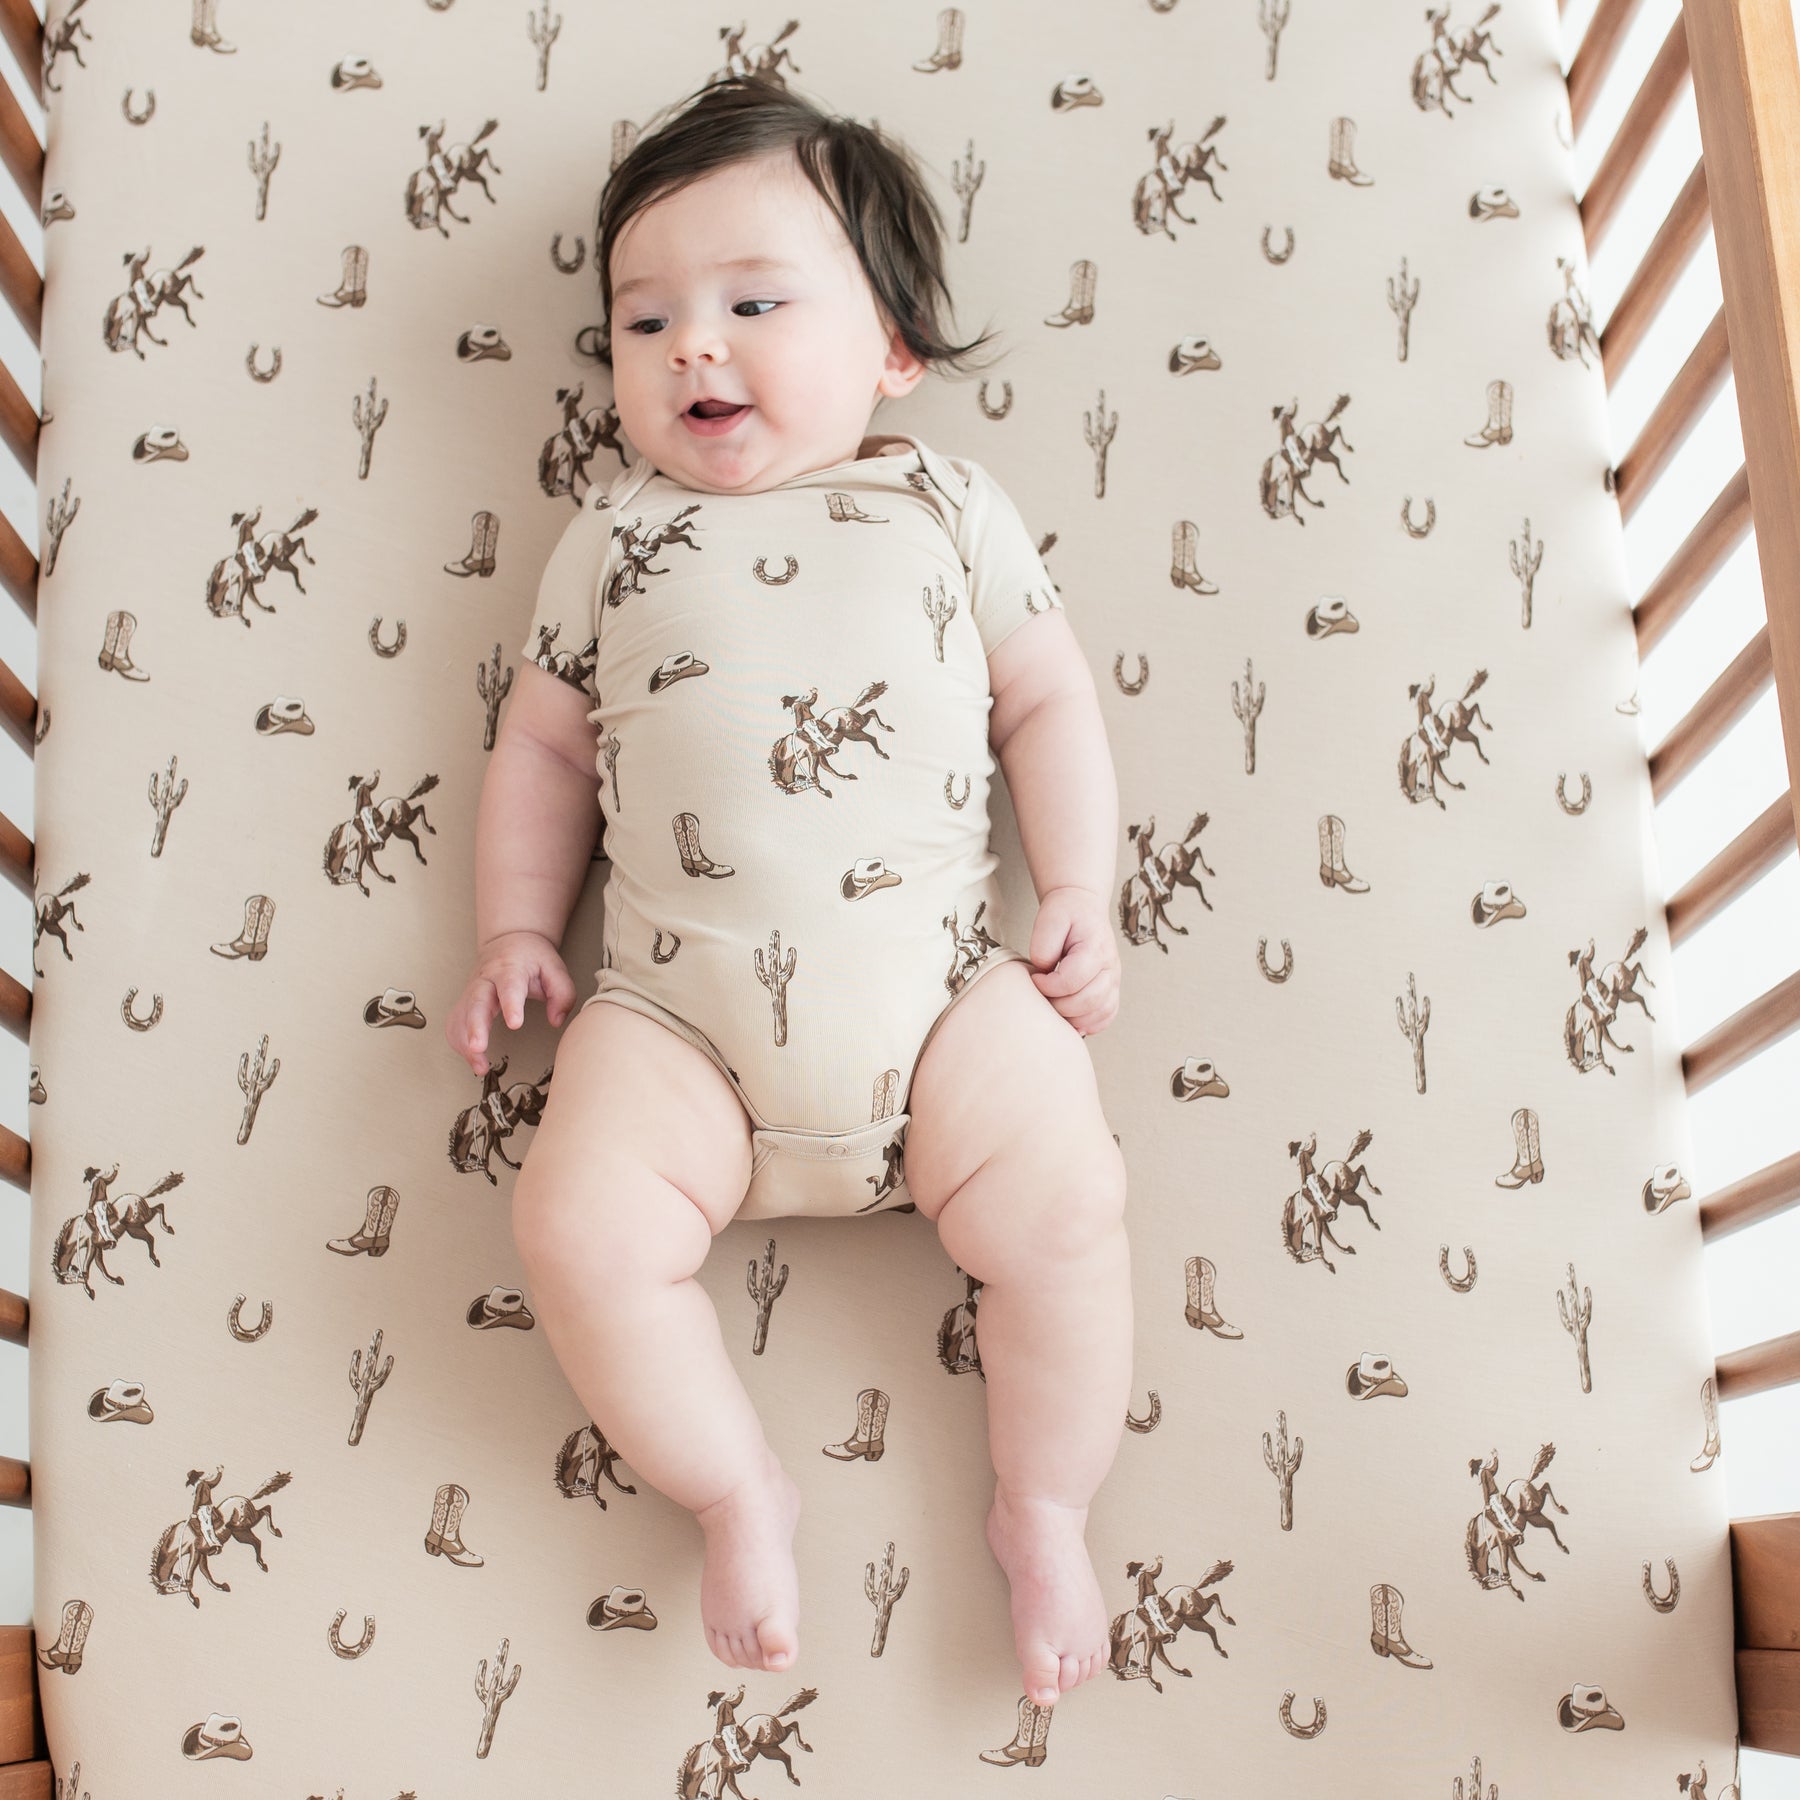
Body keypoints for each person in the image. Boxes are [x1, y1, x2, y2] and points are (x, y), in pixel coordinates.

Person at [446, 72, 1129, 1712]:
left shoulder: (947, 509)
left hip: (945, 993)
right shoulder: (609, 537)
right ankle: (736, 1487)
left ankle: (1042, 1509)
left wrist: (1083, 884)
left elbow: (1048, 701)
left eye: (755, 302)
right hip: (677, 1020)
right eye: (646, 319)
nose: (693, 345)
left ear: (893, 347)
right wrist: (516, 929)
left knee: (1068, 1210)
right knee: (574, 1224)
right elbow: (540, 754)